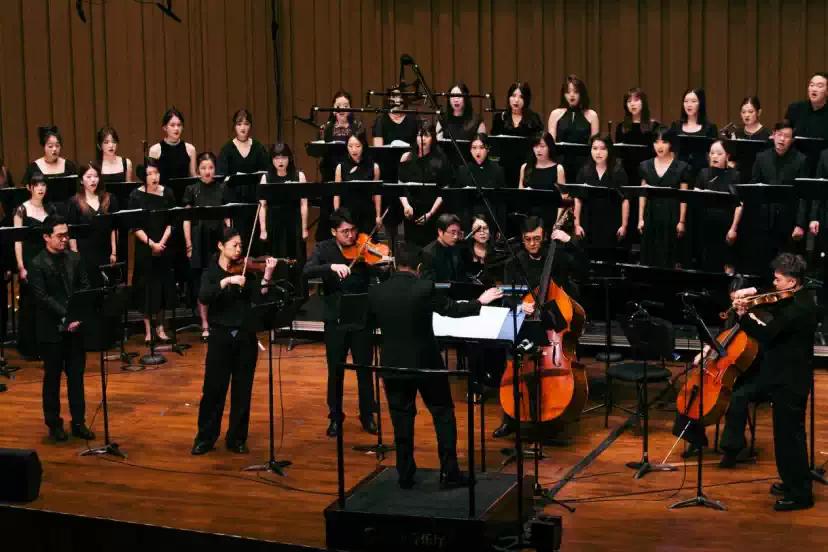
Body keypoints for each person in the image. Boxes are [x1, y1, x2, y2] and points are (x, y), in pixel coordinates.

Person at [367, 242, 503, 488]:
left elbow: (370, 324)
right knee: (443, 414)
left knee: (401, 419)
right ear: (419, 267)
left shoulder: (377, 291)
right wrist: (480, 302)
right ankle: (449, 472)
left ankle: (405, 474)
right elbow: (452, 310)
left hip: (393, 366)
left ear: (395, 264)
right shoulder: (424, 287)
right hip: (426, 363)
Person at [732, 253, 818, 511]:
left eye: (778, 279)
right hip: (786, 376)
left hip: (790, 380)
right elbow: (774, 299)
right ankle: (791, 482)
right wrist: (753, 293)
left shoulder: (798, 309)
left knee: (790, 437)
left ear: (792, 281)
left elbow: (768, 333)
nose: (774, 282)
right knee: (785, 435)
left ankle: (800, 494)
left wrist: (744, 316)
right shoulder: (798, 296)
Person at [494, 215, 586, 437]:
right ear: (522, 239)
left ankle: (554, 413)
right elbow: (506, 297)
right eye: (528, 239)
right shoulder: (514, 263)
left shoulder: (556, 256)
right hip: (525, 321)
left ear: (544, 236)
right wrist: (520, 305)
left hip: (553, 321)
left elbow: (584, 268)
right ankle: (510, 417)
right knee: (513, 358)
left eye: (536, 238)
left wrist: (570, 241)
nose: (533, 244)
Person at [191, 227, 280, 455]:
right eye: (235, 245)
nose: (239, 250)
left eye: (241, 245)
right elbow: (204, 296)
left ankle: (237, 439)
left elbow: (259, 297)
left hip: (245, 336)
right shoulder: (211, 272)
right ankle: (205, 438)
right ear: (221, 246)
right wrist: (226, 281)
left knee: (242, 391)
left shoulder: (247, 271)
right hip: (220, 337)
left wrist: (267, 275)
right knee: (213, 390)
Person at [302, 209, 379, 437]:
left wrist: (382, 265)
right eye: (345, 231)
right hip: (335, 318)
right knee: (335, 370)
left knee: (364, 369)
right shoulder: (324, 249)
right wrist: (330, 267)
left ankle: (367, 415)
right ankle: (335, 417)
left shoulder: (363, 248)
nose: (351, 235)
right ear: (334, 231)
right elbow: (307, 271)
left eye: (353, 230)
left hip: (361, 317)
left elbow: (380, 274)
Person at [27, 215, 93, 443]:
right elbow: (42, 297)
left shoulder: (75, 258)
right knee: (52, 379)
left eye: (67, 235)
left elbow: (84, 287)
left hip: (75, 329)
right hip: (51, 330)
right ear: (46, 237)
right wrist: (67, 316)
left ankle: (79, 422)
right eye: (60, 235)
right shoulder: (37, 263)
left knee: (76, 378)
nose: (65, 239)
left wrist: (77, 316)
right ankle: (54, 424)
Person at [742, 120, 809, 276]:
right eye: (779, 134)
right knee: (762, 263)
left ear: (792, 140)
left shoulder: (801, 160)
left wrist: (800, 224)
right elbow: (753, 188)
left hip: (788, 221)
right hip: (763, 220)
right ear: (773, 135)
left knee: (787, 266)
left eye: (787, 136)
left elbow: (803, 195)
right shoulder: (761, 157)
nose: (782, 139)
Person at [67, 163, 119, 351]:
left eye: (95, 176)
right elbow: (71, 233)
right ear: (81, 180)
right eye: (88, 177)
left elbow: (114, 228)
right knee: (88, 294)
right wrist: (75, 256)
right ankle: (89, 340)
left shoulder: (109, 199)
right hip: (84, 254)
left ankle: (107, 339)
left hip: (104, 253)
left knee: (105, 295)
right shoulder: (74, 202)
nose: (92, 180)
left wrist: (114, 251)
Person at [128, 158, 177, 345]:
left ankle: (161, 327)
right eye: (149, 174)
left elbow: (172, 221)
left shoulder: (168, 193)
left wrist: (161, 243)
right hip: (145, 248)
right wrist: (152, 244)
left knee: (162, 287)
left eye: (156, 172)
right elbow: (135, 226)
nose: (154, 177)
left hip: (164, 246)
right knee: (146, 288)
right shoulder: (136, 196)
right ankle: (148, 330)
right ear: (143, 176)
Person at [183, 152, 229, 342]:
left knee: (220, 277)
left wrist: (229, 240)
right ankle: (204, 323)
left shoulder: (222, 188)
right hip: (199, 240)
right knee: (202, 282)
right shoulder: (191, 189)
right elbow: (186, 219)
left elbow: (227, 217)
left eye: (210, 167)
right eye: (203, 168)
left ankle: (220, 320)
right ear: (198, 170)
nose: (207, 171)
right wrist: (188, 243)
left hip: (218, 239)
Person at [14, 173, 57, 359]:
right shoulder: (21, 210)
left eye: (43, 185)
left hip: (49, 260)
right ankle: (30, 348)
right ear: (29, 187)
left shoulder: (51, 208)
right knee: (31, 304)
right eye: (36, 185)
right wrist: (21, 266)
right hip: (30, 260)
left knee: (48, 303)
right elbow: (17, 241)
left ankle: (48, 345)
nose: (40, 188)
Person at [637, 127, 691, 268]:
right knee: (650, 257)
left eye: (664, 142)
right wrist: (640, 219)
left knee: (669, 257)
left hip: (671, 214)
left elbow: (684, 197)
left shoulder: (682, 167)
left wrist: (682, 221)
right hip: (651, 214)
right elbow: (643, 194)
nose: (659, 146)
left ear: (671, 143)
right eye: (656, 142)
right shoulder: (645, 165)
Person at [319, 90, 365, 240]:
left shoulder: (357, 126)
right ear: (333, 109)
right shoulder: (326, 128)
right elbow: (321, 152)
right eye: (338, 106)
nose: (342, 109)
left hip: (352, 175)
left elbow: (364, 151)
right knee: (329, 214)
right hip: (330, 174)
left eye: (346, 106)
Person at [574, 134, 629, 253]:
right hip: (588, 222)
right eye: (594, 148)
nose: (598, 153)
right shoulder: (584, 171)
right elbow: (578, 199)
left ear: (609, 150)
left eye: (603, 148)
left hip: (612, 222)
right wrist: (577, 224)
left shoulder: (618, 171)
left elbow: (625, 199)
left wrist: (624, 225)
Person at [398, 122, 451, 246]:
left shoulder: (441, 160)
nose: (422, 139)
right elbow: (401, 185)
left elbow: (444, 189)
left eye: (426, 135)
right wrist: (406, 206)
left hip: (432, 212)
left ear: (433, 138)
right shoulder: (406, 157)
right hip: (411, 211)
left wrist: (431, 213)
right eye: (419, 135)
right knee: (411, 248)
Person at [694, 141, 741, 273]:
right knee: (705, 263)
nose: (714, 156)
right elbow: (695, 197)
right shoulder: (703, 173)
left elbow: (739, 205)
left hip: (726, 225)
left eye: (719, 154)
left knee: (725, 263)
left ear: (727, 156)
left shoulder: (734, 175)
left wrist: (733, 228)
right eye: (712, 153)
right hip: (705, 224)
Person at [491, 82, 544, 187]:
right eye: (513, 96)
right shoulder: (500, 118)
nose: (516, 100)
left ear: (526, 99)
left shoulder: (533, 119)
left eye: (521, 97)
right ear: (509, 97)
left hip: (526, 166)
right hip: (504, 167)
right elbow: (494, 145)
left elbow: (538, 144)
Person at [548, 75, 600, 181]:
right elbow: (550, 144)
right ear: (563, 94)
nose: (571, 95)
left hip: (584, 164)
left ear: (581, 94)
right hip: (560, 163)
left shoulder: (592, 115)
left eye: (575, 92)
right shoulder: (555, 114)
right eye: (568, 92)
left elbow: (596, 145)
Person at [266, 143, 309, 265]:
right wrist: (263, 230)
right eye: (277, 158)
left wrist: (304, 228)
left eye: (284, 157)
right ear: (272, 160)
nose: (280, 161)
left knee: (296, 258)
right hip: (274, 222)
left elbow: (304, 204)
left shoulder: (299, 176)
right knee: (276, 258)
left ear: (289, 158)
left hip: (294, 221)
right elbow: (263, 206)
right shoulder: (267, 178)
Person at [452, 133, 505, 227]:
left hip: (491, 219)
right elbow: (458, 201)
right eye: (474, 148)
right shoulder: (462, 170)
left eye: (481, 147)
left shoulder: (497, 170)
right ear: (470, 150)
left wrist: (500, 227)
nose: (478, 151)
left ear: (488, 149)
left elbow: (501, 202)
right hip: (468, 219)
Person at [334, 132, 382, 234]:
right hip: (347, 213)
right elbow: (337, 194)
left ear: (363, 146)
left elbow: (377, 194)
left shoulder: (374, 166)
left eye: (357, 146)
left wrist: (378, 215)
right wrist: (337, 216)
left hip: (367, 212)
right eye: (350, 146)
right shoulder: (341, 167)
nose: (354, 150)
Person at [519, 133, 566, 225]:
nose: (538, 150)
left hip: (550, 217)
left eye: (542, 146)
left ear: (549, 147)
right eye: (535, 146)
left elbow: (563, 200)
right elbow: (520, 196)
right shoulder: (525, 167)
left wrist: (557, 223)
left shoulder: (558, 169)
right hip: (529, 218)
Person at [671, 88, 718, 178]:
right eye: (686, 101)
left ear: (700, 103)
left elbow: (712, 155)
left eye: (693, 101)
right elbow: (671, 153)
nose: (689, 105)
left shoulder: (710, 127)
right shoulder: (676, 126)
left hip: (701, 173)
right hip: (679, 173)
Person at [148, 107, 197, 182]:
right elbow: (152, 179)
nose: (176, 128)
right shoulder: (154, 150)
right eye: (172, 125)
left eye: (179, 125)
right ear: (165, 128)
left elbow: (193, 176)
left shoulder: (190, 149)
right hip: (163, 189)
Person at [217, 108, 270, 176]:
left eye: (246, 124)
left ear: (250, 126)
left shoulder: (258, 147)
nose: (243, 128)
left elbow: (266, 171)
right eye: (239, 124)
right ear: (234, 126)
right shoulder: (227, 149)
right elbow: (221, 174)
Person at [421, 213, 466, 283]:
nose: (456, 237)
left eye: (458, 233)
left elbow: (461, 276)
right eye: (453, 233)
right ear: (440, 232)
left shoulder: (455, 249)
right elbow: (429, 284)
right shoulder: (428, 253)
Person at [784, 72, 828, 141]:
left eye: (819, 86)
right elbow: (785, 132)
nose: (814, 89)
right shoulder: (795, 108)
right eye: (811, 85)